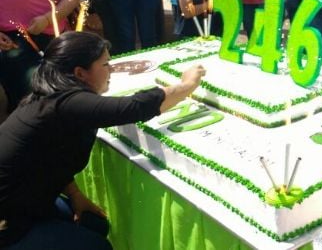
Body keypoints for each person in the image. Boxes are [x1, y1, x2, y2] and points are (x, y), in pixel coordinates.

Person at [0, 31, 205, 248]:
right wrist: (187, 85)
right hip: (9, 222)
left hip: (24, 200)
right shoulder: (67, 103)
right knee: (97, 245)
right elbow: (134, 107)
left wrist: (76, 195)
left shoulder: (51, 96)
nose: (111, 70)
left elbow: (49, 160)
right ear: (80, 73)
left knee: (94, 224)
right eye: (106, 64)